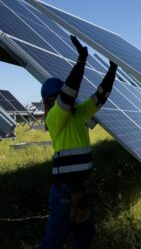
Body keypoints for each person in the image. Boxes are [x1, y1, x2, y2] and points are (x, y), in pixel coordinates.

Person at [39, 35, 117, 248]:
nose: (62, 99)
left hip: (82, 189)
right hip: (63, 191)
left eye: (60, 96)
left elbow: (100, 96)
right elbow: (68, 94)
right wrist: (81, 61)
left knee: (83, 237)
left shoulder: (80, 113)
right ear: (48, 103)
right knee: (54, 241)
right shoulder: (54, 118)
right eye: (55, 98)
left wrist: (112, 71)